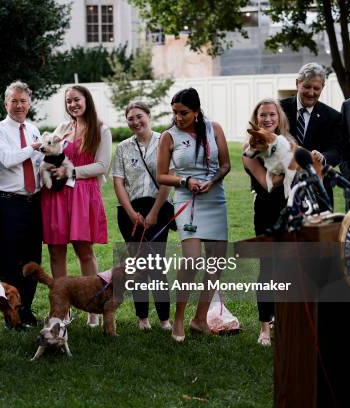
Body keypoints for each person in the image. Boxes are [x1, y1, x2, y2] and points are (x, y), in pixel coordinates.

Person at [157, 88, 231, 342]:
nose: (178, 117)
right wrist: (185, 180)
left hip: (215, 197)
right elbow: (161, 175)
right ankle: (179, 317)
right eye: (175, 112)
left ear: (197, 111)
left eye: (184, 113)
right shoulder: (168, 136)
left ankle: (200, 319)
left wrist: (213, 180)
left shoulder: (214, 128)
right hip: (187, 198)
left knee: (216, 262)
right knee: (191, 259)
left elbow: (225, 164)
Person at [41, 85, 112, 327]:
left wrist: (70, 171)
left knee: (84, 250)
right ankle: (62, 309)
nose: (72, 104)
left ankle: (93, 304)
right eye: (68, 101)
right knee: (56, 250)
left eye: (77, 100)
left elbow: (102, 165)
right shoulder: (62, 129)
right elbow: (49, 154)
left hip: (83, 195)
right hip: (58, 198)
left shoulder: (101, 129)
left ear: (87, 100)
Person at [0, 80, 43, 328]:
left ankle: (27, 309)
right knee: (10, 261)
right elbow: (7, 160)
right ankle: (12, 315)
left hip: (34, 202)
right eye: (14, 101)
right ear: (5, 103)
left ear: (29, 103)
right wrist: (34, 147)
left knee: (32, 260)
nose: (19, 105)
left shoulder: (33, 129)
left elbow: (38, 164)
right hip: (9, 203)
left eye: (23, 101)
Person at [112, 101, 172, 331]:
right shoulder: (124, 147)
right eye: (130, 119)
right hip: (130, 211)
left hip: (159, 208)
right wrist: (130, 213)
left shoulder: (165, 141)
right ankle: (142, 318)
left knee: (156, 264)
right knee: (137, 266)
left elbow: (169, 177)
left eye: (140, 116)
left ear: (149, 115)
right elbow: (118, 181)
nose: (136, 122)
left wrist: (155, 212)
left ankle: (165, 319)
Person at [242, 98, 292, 346]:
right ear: (256, 118)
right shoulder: (249, 149)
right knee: (268, 268)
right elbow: (267, 183)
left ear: (279, 117)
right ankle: (264, 326)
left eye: (272, 114)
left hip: (291, 210)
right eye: (263, 115)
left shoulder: (287, 143)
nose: (268, 119)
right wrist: (289, 170)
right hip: (266, 210)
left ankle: (285, 321)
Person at [280, 62, 341, 208]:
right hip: (283, 190)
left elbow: (337, 150)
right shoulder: (279, 109)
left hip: (318, 190)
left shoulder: (333, 117)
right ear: (297, 83)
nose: (311, 92)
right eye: (307, 86)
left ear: (322, 87)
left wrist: (323, 157)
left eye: (316, 88)